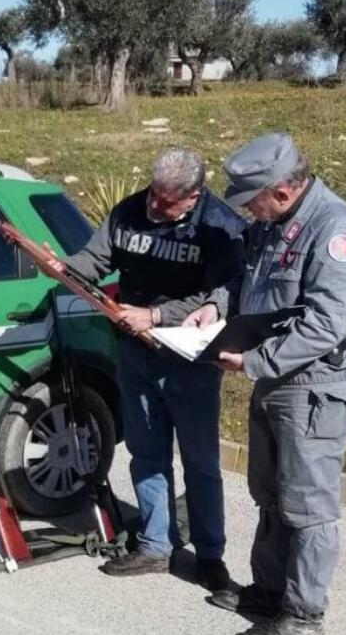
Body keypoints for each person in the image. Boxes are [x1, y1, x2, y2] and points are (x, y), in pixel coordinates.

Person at [190, 132, 346, 635]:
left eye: (252, 200)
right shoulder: (272, 226)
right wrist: (217, 308)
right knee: (269, 492)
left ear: (284, 192)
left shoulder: (335, 230)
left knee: (308, 503)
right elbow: (245, 283)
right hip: (274, 378)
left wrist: (253, 361)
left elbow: (326, 324)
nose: (248, 211)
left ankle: (303, 613)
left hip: (315, 385)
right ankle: (269, 591)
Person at [61, 148, 245, 589]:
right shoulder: (129, 210)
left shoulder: (220, 226)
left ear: (194, 195)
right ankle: (154, 545)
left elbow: (222, 296)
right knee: (146, 453)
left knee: (200, 461)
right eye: (153, 194)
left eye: (166, 202)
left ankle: (209, 554)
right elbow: (94, 259)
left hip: (189, 360)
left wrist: (157, 316)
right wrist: (64, 268)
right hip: (134, 354)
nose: (154, 206)